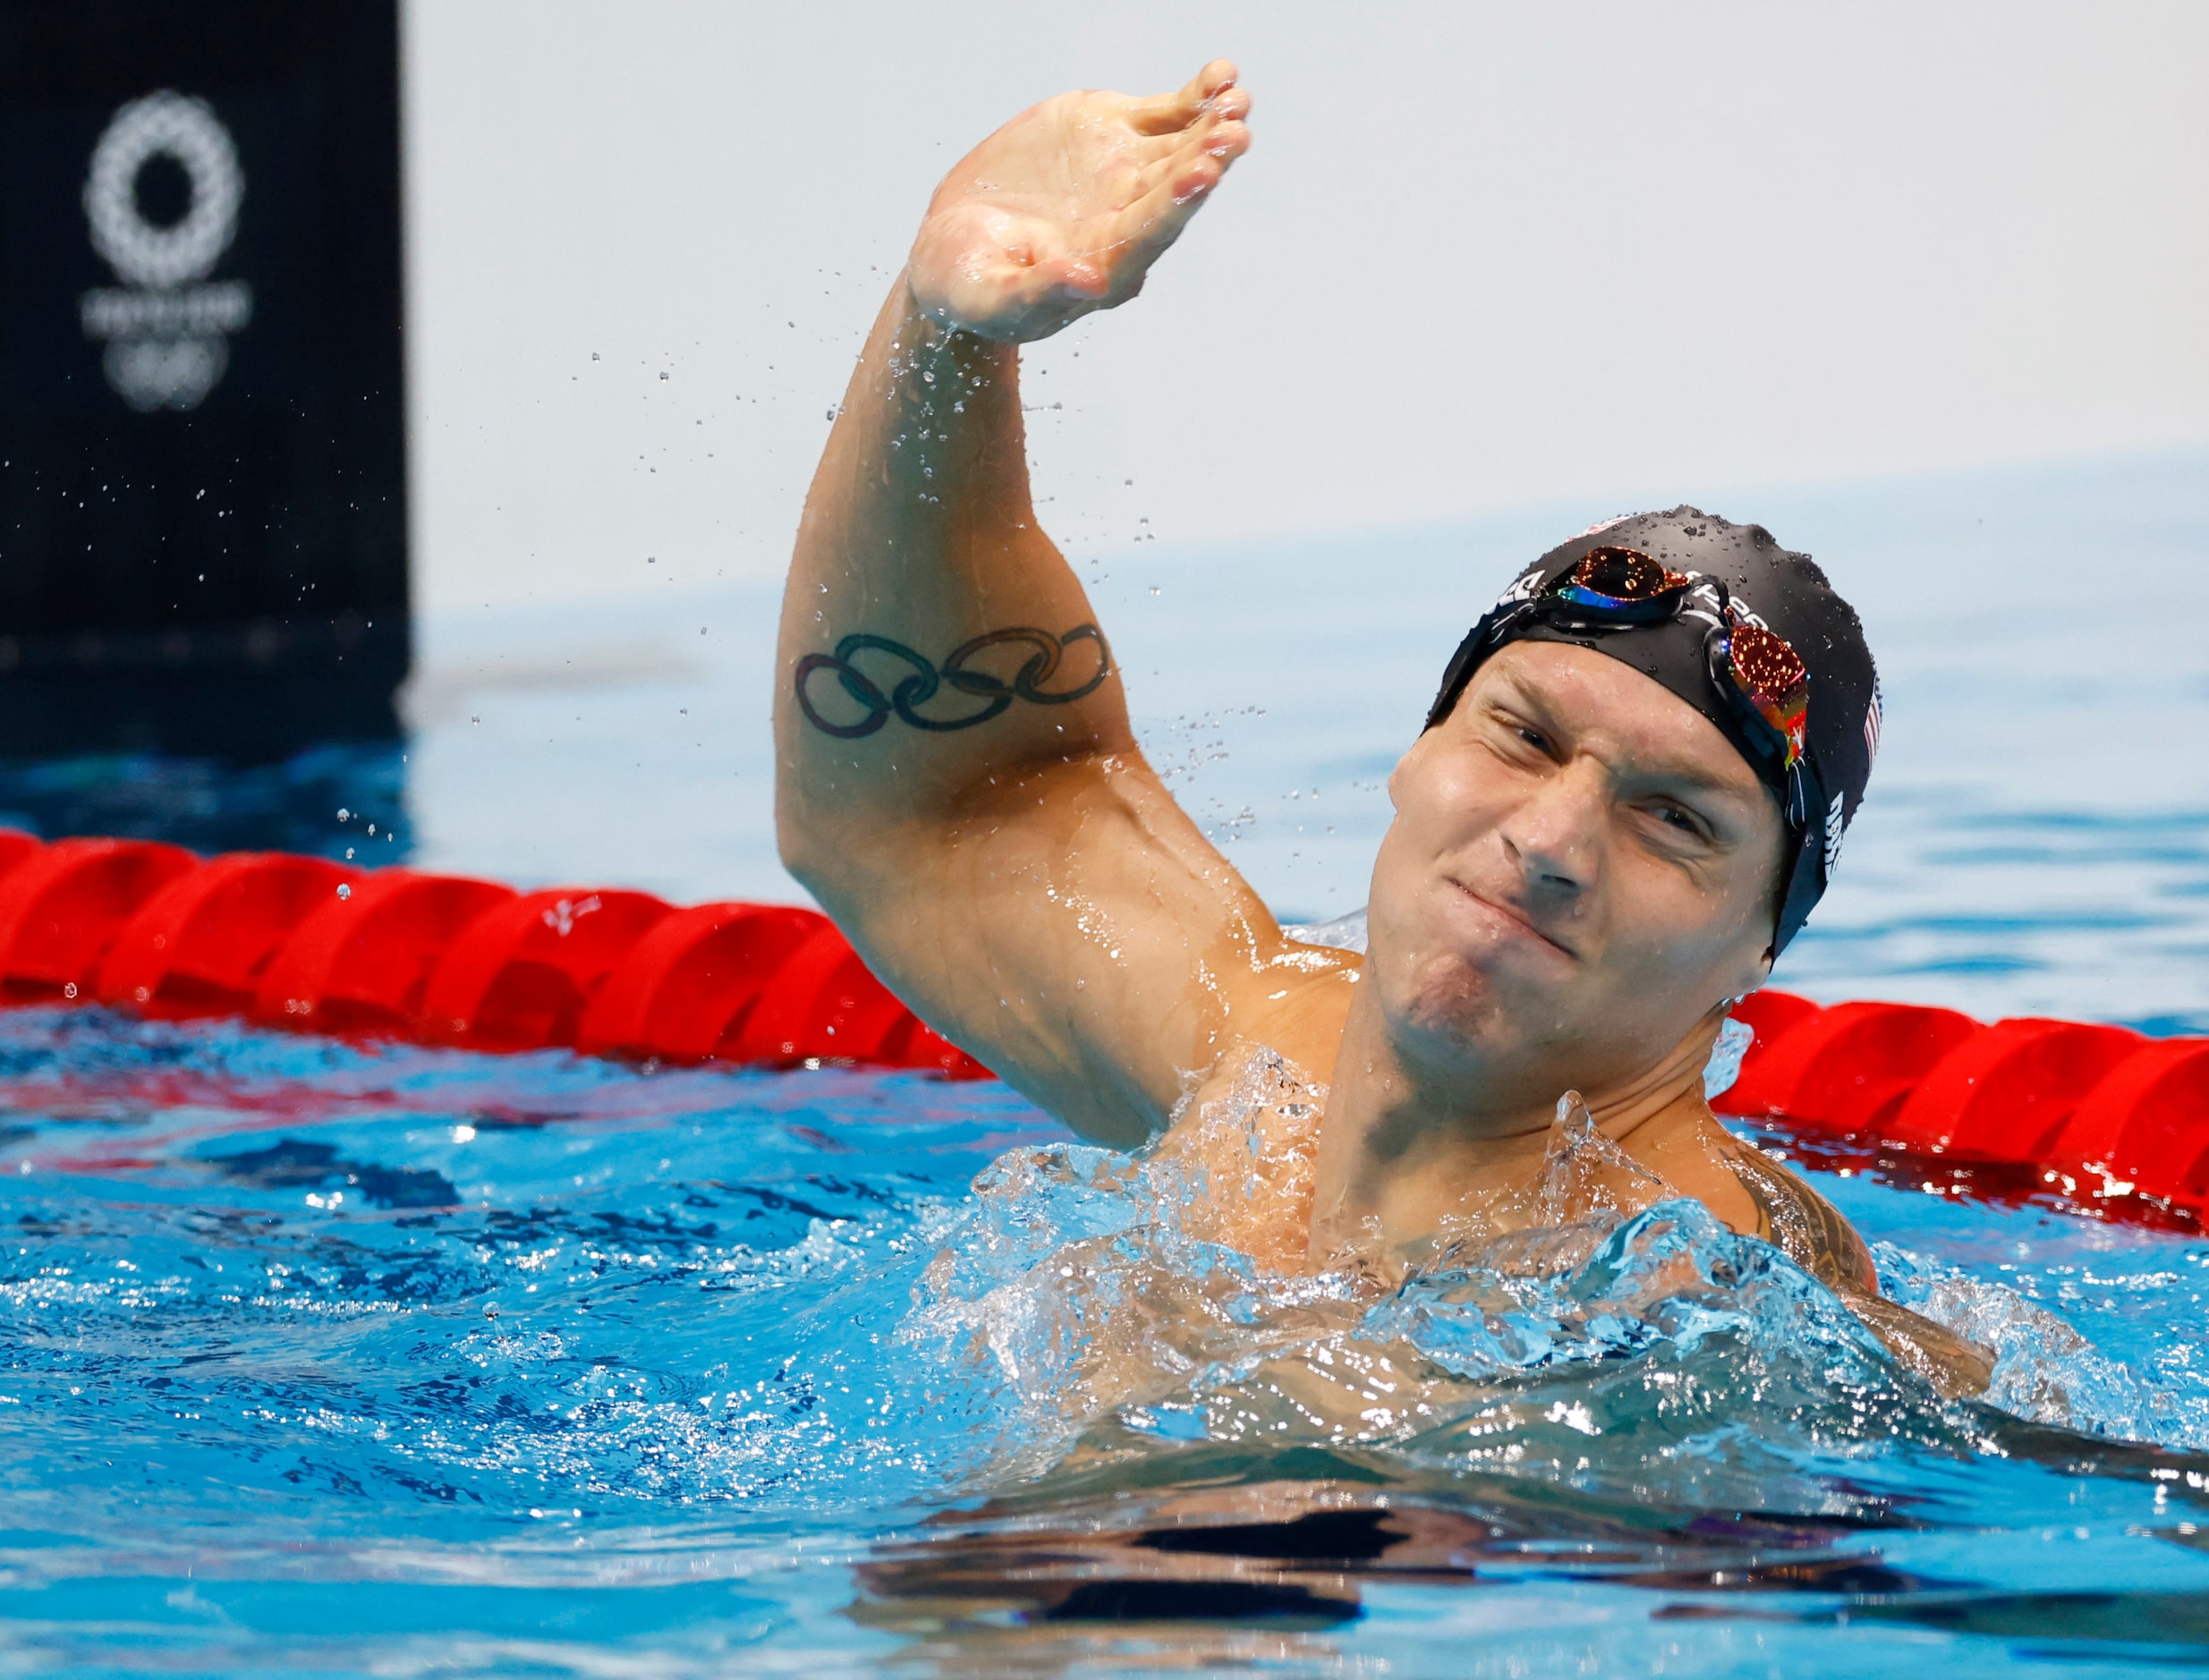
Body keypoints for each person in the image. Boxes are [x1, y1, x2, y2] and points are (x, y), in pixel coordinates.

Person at [774, 62, 1986, 1387]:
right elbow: (933, 804)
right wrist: (947, 335)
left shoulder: (1699, 1302)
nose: (1550, 837)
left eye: (1674, 816)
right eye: (1523, 737)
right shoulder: (1263, 1057)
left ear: (1756, 948)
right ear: (1419, 750)